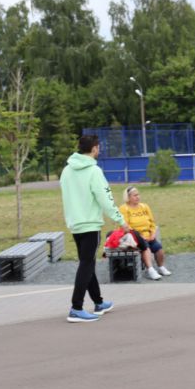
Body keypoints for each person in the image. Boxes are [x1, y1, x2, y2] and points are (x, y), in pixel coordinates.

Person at [60, 134, 129, 323]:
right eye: (98, 147)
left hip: (75, 223)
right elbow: (105, 199)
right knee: (87, 264)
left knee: (86, 261)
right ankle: (76, 307)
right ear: (94, 148)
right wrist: (121, 220)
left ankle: (98, 302)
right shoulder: (94, 171)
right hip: (90, 223)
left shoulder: (66, 170)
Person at [119, 186, 172, 280]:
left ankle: (161, 267)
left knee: (159, 249)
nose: (138, 197)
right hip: (135, 237)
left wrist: (152, 234)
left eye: (138, 194)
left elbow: (152, 222)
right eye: (135, 195)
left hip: (148, 235)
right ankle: (150, 270)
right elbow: (126, 226)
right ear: (128, 197)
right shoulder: (124, 208)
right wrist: (139, 236)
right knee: (145, 247)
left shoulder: (144, 206)